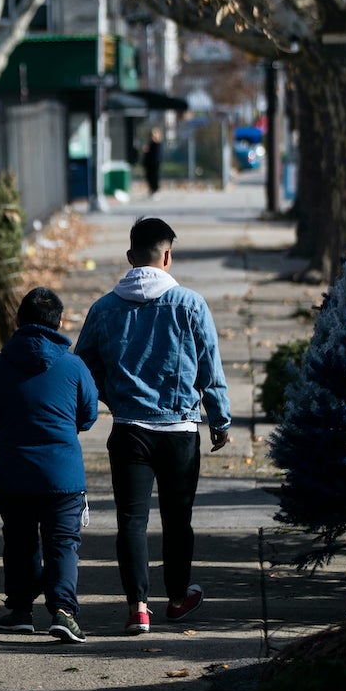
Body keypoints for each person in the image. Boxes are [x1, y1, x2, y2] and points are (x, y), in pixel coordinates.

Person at [74, 217, 230, 636]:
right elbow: (209, 368)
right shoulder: (190, 304)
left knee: (131, 521)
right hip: (179, 430)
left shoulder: (104, 309)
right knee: (178, 520)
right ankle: (177, 599)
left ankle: (137, 607)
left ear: (129, 257)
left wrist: (113, 397)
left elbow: (83, 368)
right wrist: (219, 418)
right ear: (167, 256)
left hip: (129, 430)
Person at [0, 287, 99, 643]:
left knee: (19, 542)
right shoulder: (74, 366)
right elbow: (88, 414)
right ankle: (62, 611)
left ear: (18, 320)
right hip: (63, 475)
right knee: (62, 543)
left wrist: (12, 432)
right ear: (58, 323)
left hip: (13, 471)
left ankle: (20, 611)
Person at [141, 129, 164, 200]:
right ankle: (151, 190)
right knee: (149, 178)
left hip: (155, 163)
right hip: (149, 164)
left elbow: (157, 155)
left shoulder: (157, 144)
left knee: (155, 177)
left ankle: (156, 191)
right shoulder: (150, 144)